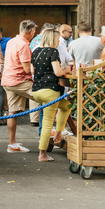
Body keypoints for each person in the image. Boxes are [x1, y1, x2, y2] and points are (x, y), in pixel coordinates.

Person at [31, 28, 74, 162]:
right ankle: (42, 154)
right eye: (56, 39)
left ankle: (59, 133)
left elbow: (32, 70)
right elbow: (57, 72)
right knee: (47, 123)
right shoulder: (53, 52)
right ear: (52, 39)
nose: (58, 42)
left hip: (37, 91)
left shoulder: (36, 51)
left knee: (67, 105)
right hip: (50, 91)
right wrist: (66, 69)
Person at [2, 20, 40, 153]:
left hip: (8, 80)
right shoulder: (24, 45)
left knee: (13, 112)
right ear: (31, 32)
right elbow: (27, 69)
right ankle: (52, 133)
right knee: (47, 99)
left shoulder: (12, 41)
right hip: (19, 81)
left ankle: (12, 144)